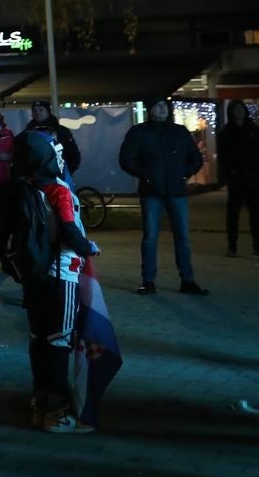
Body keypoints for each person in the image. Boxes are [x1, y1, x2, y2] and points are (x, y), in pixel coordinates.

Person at [11, 130, 100, 433]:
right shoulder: (58, 190)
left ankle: (40, 403)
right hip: (61, 276)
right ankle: (58, 413)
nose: (61, 155)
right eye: (56, 151)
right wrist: (90, 247)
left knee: (39, 339)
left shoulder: (26, 185)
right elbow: (69, 232)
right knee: (59, 341)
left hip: (35, 275)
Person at [118, 98, 207, 295]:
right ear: (150, 110)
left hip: (176, 191)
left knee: (182, 236)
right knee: (150, 237)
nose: (162, 109)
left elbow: (196, 158)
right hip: (152, 192)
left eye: (165, 106)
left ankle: (188, 280)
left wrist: (183, 174)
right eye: (158, 105)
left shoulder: (179, 131)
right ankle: (148, 281)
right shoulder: (139, 132)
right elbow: (126, 159)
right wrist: (146, 175)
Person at [219, 101, 259, 258]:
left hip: (254, 177)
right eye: (236, 109)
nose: (239, 112)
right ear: (231, 112)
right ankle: (232, 246)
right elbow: (223, 157)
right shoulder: (226, 132)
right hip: (236, 178)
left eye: (241, 109)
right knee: (233, 213)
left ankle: (257, 244)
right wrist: (229, 174)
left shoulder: (253, 130)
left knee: (256, 213)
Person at [25, 101, 80, 174]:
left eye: (41, 110)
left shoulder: (61, 131)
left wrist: (67, 171)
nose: (37, 113)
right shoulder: (28, 132)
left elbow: (72, 153)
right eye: (35, 110)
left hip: (58, 175)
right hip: (34, 177)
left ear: (48, 112)